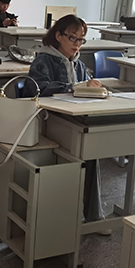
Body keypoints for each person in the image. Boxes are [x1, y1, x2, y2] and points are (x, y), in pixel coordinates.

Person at [26, 15, 105, 228]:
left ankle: (93, 216)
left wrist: (93, 88)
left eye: (81, 39)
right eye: (73, 38)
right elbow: (37, 88)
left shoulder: (78, 64)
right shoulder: (44, 60)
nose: (77, 44)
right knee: (86, 150)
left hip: (73, 120)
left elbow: (82, 90)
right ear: (58, 36)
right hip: (48, 122)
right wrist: (74, 87)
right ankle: (74, 216)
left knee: (91, 151)